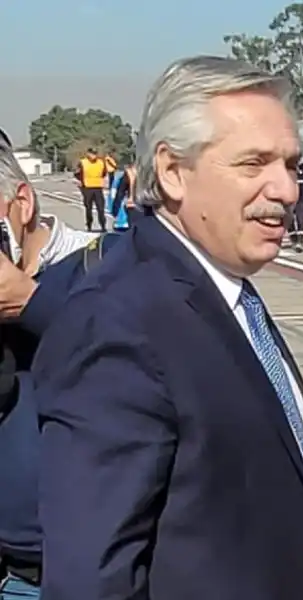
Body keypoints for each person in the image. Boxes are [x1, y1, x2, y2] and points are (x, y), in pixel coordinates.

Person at [32, 56, 303, 600]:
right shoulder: (118, 322)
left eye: (290, 164)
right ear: (172, 171)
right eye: (254, 163)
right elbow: (90, 580)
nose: (287, 190)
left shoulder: (222, 289)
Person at [0, 134, 101, 599]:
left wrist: (30, 301)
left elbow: (140, 359)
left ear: (21, 203)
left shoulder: (104, 263)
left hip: (78, 574)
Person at [73, 147, 107, 232]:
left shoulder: (101, 162)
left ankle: (103, 226)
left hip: (98, 187)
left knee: (101, 208)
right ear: (88, 154)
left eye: (95, 154)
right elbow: (77, 173)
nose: (93, 156)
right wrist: (81, 181)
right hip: (87, 188)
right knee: (88, 208)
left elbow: (104, 173)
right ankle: (89, 225)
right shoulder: (83, 162)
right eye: (92, 154)